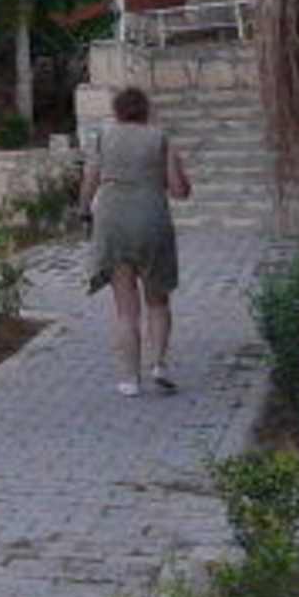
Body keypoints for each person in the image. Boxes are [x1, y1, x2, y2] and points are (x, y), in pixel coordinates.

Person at [79, 86, 191, 397]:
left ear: (117, 111)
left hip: (113, 222)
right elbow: (179, 190)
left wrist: (84, 211)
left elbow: (90, 178)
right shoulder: (160, 138)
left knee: (126, 310)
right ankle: (158, 365)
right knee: (158, 301)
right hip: (152, 221)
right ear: (146, 110)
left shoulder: (103, 137)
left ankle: (130, 379)